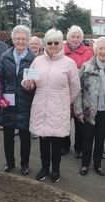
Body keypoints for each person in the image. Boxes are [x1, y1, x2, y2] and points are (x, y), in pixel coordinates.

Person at [22, 28, 80, 183]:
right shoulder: (37, 61)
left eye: (56, 42)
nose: (53, 45)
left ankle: (56, 170)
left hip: (59, 109)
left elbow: (75, 88)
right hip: (41, 107)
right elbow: (28, 83)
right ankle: (44, 168)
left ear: (61, 44)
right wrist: (28, 83)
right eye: (50, 42)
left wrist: (64, 102)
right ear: (45, 44)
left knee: (57, 142)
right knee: (43, 141)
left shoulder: (69, 63)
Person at [74, 37, 105, 176]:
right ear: (96, 50)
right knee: (88, 139)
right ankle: (85, 164)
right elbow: (78, 90)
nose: (103, 51)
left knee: (101, 139)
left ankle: (98, 164)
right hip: (89, 110)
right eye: (101, 48)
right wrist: (78, 110)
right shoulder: (86, 67)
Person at [0, 25, 35, 175]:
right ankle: (10, 162)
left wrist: (31, 86)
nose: (20, 41)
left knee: (25, 136)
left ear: (27, 40)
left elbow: (35, 81)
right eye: (18, 38)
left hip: (26, 100)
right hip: (8, 100)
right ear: (13, 39)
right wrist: (0, 96)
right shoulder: (5, 56)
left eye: (23, 39)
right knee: (8, 134)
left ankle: (25, 164)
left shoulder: (33, 59)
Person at [63, 25, 93, 158]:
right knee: (64, 120)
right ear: (68, 38)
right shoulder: (61, 51)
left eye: (78, 37)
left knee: (79, 120)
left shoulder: (88, 52)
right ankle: (64, 145)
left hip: (81, 92)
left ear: (82, 38)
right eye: (73, 37)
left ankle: (78, 147)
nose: (75, 39)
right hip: (64, 90)